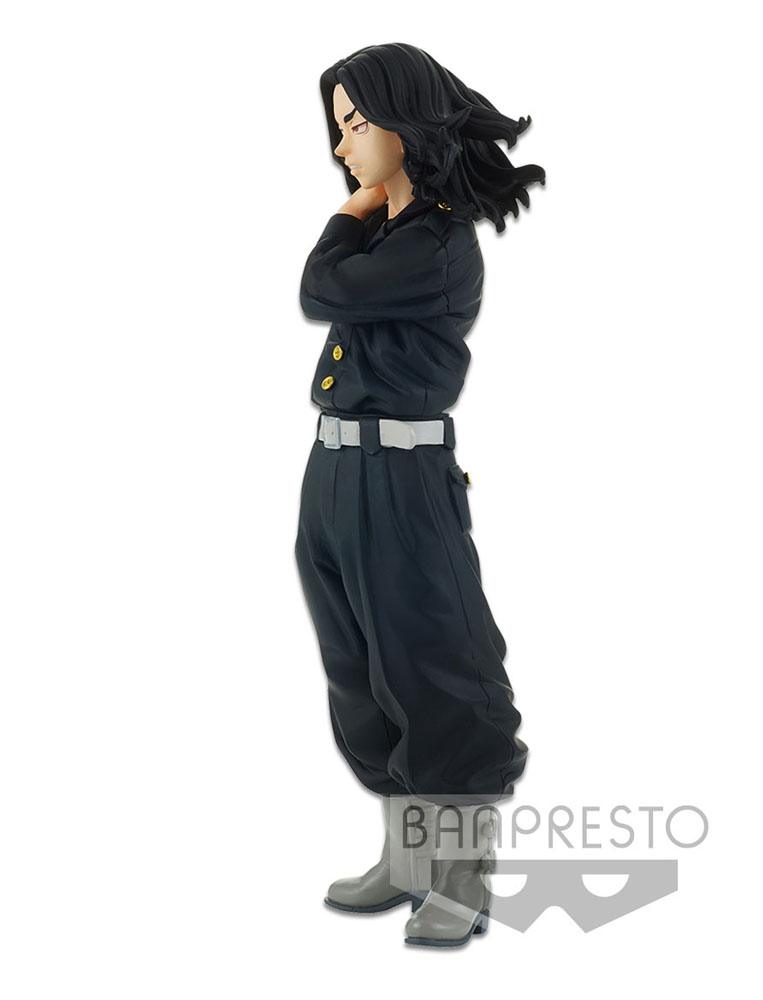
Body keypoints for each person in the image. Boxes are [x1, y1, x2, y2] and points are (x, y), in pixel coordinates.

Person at [294, 42, 545, 948]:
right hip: (334, 472)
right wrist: (365, 213)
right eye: (338, 127)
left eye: (358, 123)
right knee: (358, 668)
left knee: (432, 661)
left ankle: (463, 870)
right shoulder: (390, 235)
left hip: (401, 479)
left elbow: (321, 287)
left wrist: (348, 212)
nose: (343, 146)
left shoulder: (437, 242)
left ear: (406, 121)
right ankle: (408, 856)